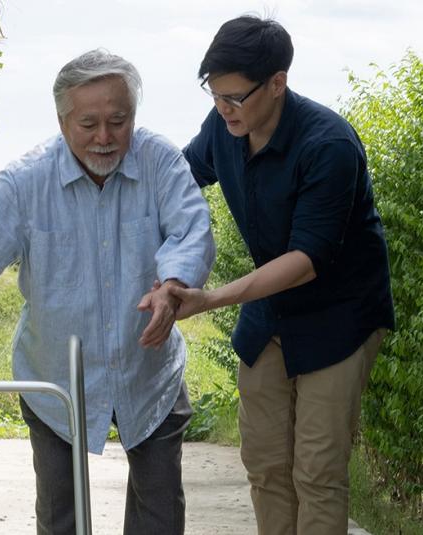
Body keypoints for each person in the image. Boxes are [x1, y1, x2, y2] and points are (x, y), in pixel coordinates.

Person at [0, 49, 215, 535]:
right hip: (55, 379)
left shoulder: (160, 161)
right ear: (62, 120)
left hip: (148, 372)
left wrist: (171, 287)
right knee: (60, 515)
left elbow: (190, 230)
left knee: (160, 513)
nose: (105, 138)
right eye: (89, 123)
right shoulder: (27, 181)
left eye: (118, 120)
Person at [168, 16, 396, 535]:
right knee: (267, 465)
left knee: (318, 473)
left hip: (341, 317)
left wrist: (210, 298)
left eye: (235, 97)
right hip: (270, 309)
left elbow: (306, 260)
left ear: (277, 82)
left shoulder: (328, 145)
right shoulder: (223, 128)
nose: (223, 108)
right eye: (214, 94)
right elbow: (177, 182)